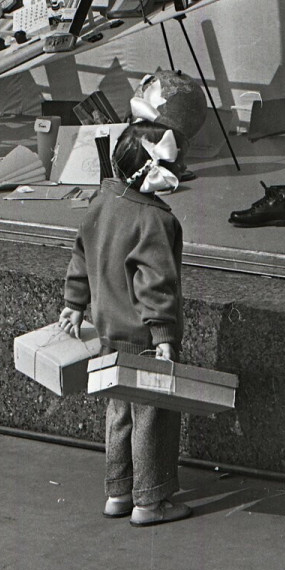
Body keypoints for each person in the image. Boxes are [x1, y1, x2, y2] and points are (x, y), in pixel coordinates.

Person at [59, 121, 192, 527]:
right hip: (144, 337)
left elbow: (82, 254)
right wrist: (164, 334)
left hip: (109, 332)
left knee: (119, 413)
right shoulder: (155, 219)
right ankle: (149, 501)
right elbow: (155, 283)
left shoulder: (102, 200)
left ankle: (118, 492)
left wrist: (74, 303)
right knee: (152, 418)